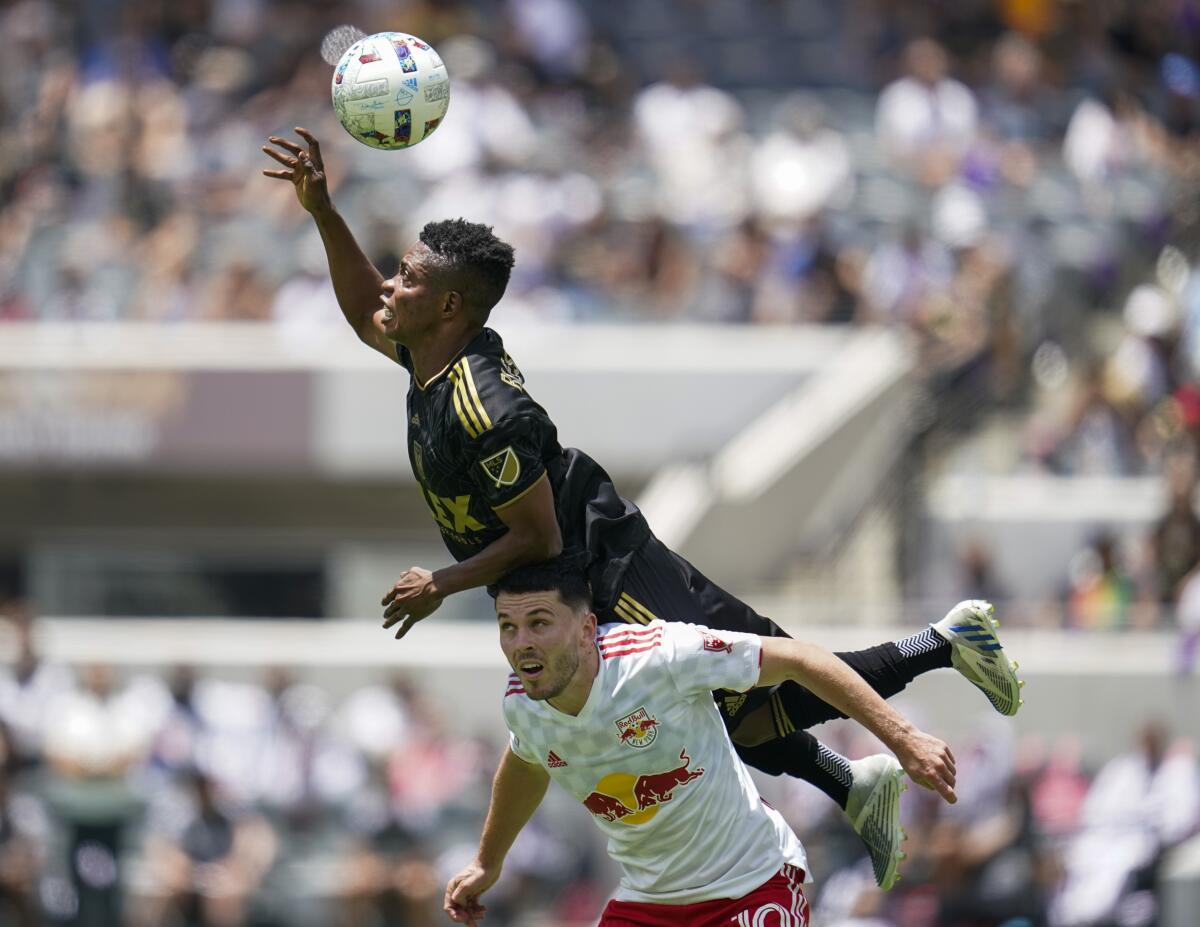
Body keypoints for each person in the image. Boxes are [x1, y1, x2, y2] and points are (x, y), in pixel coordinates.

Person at [261, 129, 1024, 885]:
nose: (391, 288)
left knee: (765, 688)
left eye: (408, 277)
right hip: (558, 574)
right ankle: (851, 783)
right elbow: (368, 310)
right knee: (723, 709)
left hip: (603, 559)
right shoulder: (426, 346)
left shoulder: (485, 409)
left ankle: (946, 642)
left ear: (451, 304)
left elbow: (537, 532)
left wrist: (443, 583)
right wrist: (324, 210)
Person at [443, 560, 960, 926]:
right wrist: (489, 862)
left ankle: (943, 643)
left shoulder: (660, 656)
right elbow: (526, 763)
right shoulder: (524, 704)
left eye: (538, 623)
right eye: (507, 627)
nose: (521, 644)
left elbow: (802, 658)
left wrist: (903, 736)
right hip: (647, 903)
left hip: (750, 884)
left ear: (586, 629)